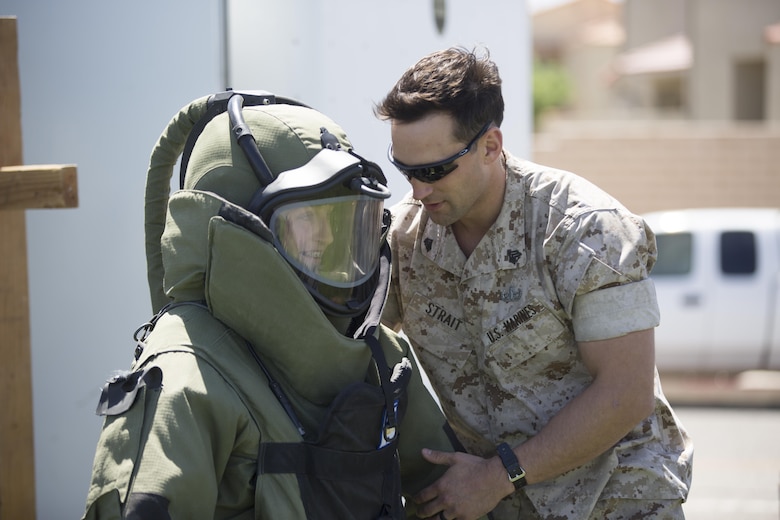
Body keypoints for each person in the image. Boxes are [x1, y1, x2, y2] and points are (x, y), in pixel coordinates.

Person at [82, 90, 459, 519]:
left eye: (349, 225)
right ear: (246, 229)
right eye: (311, 228)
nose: (336, 251)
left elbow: (452, 492)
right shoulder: (186, 379)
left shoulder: (377, 353)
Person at [374, 47, 693, 520]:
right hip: (495, 506)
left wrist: (496, 477)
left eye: (435, 171)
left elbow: (625, 393)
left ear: (490, 146)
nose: (419, 191)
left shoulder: (586, 231)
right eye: (407, 171)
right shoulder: (403, 239)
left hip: (617, 498)